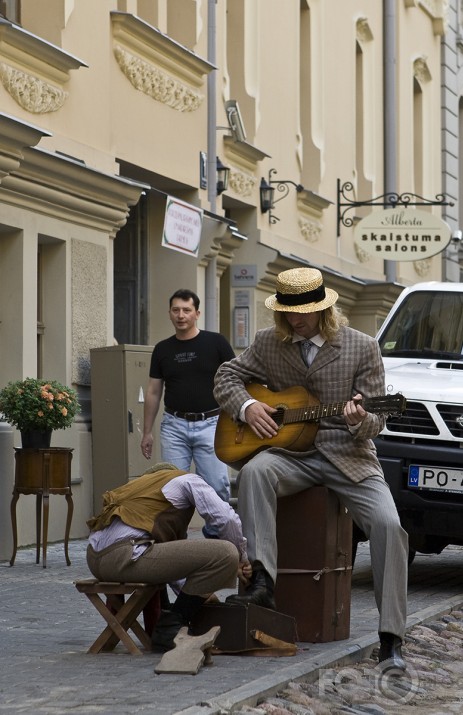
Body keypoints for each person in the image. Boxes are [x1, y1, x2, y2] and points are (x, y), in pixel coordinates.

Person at [213, 267, 409, 671]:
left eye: (303, 311)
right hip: (292, 455)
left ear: (324, 308)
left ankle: (391, 638)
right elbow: (227, 375)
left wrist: (359, 420)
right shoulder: (269, 342)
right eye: (288, 311)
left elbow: (376, 420)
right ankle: (263, 581)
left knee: (390, 526)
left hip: (349, 454)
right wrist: (248, 408)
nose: (296, 319)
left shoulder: (362, 346)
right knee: (254, 473)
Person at [86, 462, 252, 653]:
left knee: (199, 553)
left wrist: (200, 592)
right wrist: (241, 558)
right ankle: (169, 629)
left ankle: (167, 622)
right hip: (124, 556)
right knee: (226, 553)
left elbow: (171, 564)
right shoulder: (188, 480)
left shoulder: (139, 489)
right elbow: (227, 519)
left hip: (95, 559)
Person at [141, 289, 235, 517]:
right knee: (173, 488)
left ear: (197, 313)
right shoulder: (162, 349)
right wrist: (147, 432)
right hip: (174, 426)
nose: (181, 315)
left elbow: (236, 379)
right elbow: (154, 391)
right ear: (169, 314)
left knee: (217, 486)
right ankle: (176, 542)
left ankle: (219, 540)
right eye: (176, 310)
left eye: (186, 310)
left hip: (212, 424)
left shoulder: (216, 342)